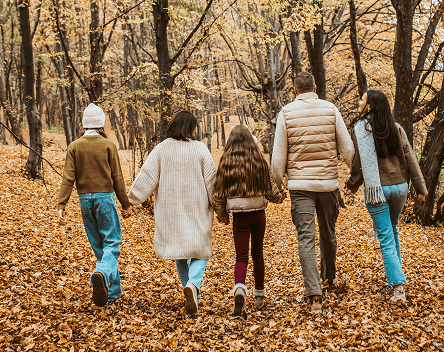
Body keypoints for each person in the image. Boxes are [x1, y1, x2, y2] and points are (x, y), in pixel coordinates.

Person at [271, 72, 355, 313]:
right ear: (315, 87)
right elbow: (347, 149)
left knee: (305, 239)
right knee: (328, 233)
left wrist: (278, 184)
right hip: (328, 185)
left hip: (300, 187)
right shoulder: (331, 110)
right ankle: (328, 279)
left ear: (295, 91)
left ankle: (314, 295)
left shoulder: (286, 113)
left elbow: (278, 159)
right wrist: (352, 176)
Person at [127, 111, 216, 315]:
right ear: (191, 128)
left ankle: (190, 288)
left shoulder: (162, 149)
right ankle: (193, 286)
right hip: (197, 210)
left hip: (171, 211)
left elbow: (146, 176)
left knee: (180, 251)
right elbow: (212, 182)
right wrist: (219, 207)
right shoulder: (200, 149)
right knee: (200, 249)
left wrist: (131, 200)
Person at [346, 90, 428, 303]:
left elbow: (358, 164)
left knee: (385, 237)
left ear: (370, 106)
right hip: (400, 188)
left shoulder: (361, 131)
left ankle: (398, 287)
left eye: (362, 99)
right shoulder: (396, 128)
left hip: (377, 191)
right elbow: (411, 159)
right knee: (392, 231)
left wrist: (352, 184)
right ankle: (396, 273)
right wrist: (421, 189)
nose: (359, 101)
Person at [57, 103, 133, 307]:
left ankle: (112, 292)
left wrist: (61, 205)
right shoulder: (108, 146)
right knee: (112, 243)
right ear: (101, 124)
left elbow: (68, 177)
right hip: (105, 199)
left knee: (99, 246)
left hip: (84, 201)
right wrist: (125, 204)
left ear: (84, 124)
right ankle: (101, 273)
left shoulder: (74, 146)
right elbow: (117, 177)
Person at [212, 125, 285, 318]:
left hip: (239, 216)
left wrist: (223, 216)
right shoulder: (260, 161)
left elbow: (217, 195)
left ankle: (239, 288)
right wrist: (281, 196)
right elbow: (271, 192)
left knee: (241, 256)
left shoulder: (226, 163)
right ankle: (259, 296)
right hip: (258, 214)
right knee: (258, 253)